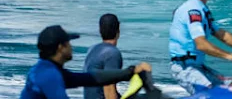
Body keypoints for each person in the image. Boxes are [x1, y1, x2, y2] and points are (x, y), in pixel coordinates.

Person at [20, 25, 150, 99]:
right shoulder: (48, 75)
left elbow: (91, 78)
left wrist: (129, 72)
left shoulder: (48, 69)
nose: (72, 47)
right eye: (69, 43)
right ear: (61, 47)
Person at [83, 14, 123, 99]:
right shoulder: (112, 53)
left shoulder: (92, 49)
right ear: (118, 32)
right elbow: (109, 92)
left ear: (100, 31)